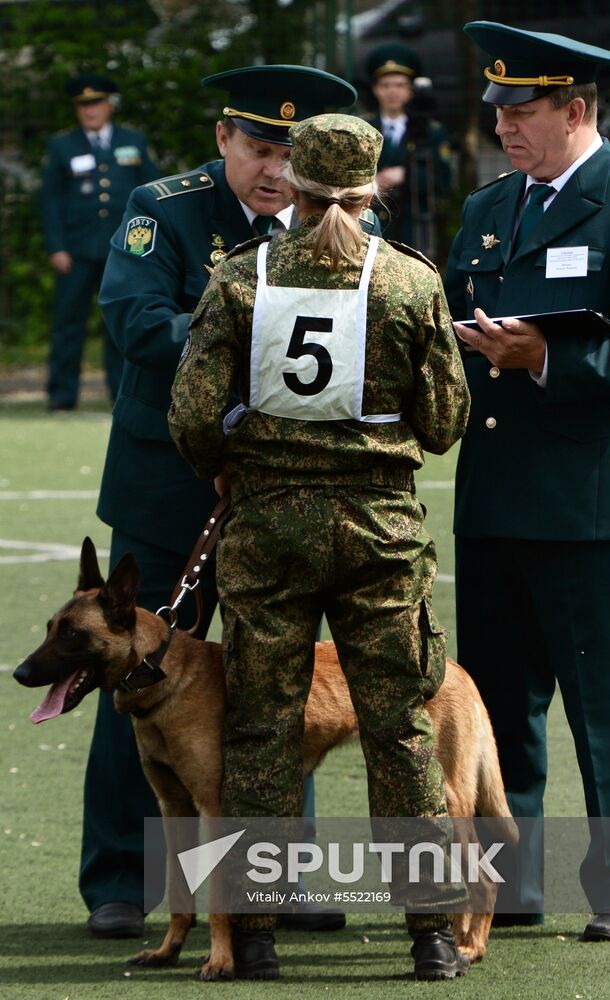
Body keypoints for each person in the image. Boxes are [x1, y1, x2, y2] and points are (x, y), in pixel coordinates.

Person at [168, 113, 471, 980]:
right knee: (399, 728)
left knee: (260, 728)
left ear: (294, 187)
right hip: (379, 532)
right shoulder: (409, 280)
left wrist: (231, 462)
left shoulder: (241, 277)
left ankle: (255, 936)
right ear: (372, 190)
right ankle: (431, 935)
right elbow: (445, 420)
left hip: (268, 530)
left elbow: (191, 415)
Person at [85, 64, 366, 940]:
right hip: (168, 489)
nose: (275, 170)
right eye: (258, 148)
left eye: (291, 154)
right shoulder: (162, 210)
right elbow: (136, 324)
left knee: (276, 685)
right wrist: (256, 326)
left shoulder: (336, 218)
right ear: (222, 138)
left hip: (284, 493)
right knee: (134, 678)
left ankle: (275, 880)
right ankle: (123, 880)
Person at [445, 21, 610, 941]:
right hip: (494, 497)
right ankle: (508, 886)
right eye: (498, 111)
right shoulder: (487, 207)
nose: (503, 126)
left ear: (578, 111)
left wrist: (545, 356)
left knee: (607, 706)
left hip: (589, 506)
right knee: (497, 705)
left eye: (522, 112)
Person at [41, 73, 158, 410]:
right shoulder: (62, 146)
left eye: (96, 103)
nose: (90, 111)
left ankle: (122, 394)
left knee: (121, 323)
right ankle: (62, 396)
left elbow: (151, 193)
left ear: (110, 105)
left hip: (122, 250)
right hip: (75, 251)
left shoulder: (133, 140)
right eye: (83, 105)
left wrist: (146, 245)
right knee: (67, 324)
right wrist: (56, 247)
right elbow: (50, 200)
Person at [363, 44, 453, 258]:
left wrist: (407, 175)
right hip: (370, 227)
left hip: (413, 229)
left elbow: (443, 182)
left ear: (411, 89)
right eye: (385, 85)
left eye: (400, 85)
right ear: (375, 89)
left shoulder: (430, 131)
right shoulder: (364, 128)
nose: (392, 92)